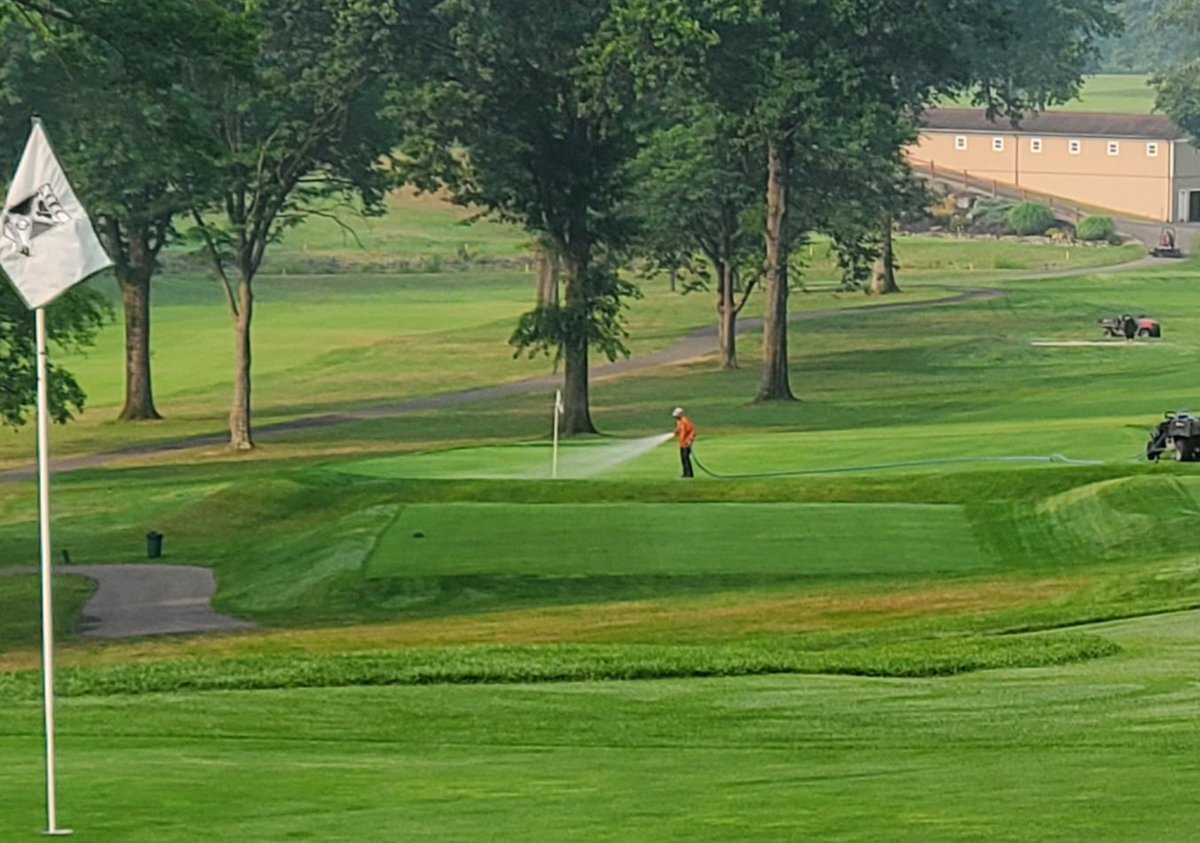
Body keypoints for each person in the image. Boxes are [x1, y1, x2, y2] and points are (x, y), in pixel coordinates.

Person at [672, 407, 696, 478]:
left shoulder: (685, 421)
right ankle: (685, 473)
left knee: (686, 458)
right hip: (682, 443)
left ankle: (689, 474)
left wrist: (690, 440)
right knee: (683, 458)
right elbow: (679, 430)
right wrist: (676, 432)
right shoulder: (679, 422)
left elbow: (693, 431)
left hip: (686, 443)